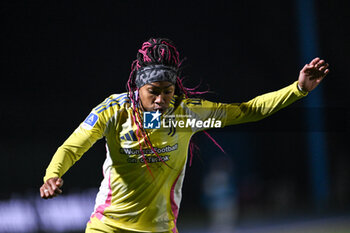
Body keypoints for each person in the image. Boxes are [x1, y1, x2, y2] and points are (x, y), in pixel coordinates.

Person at [40, 38, 329, 233]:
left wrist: (298, 89)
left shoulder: (187, 113)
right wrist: (53, 174)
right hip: (108, 227)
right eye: (153, 91)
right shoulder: (113, 111)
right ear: (137, 87)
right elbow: (72, 146)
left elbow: (247, 110)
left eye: (168, 91)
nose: (161, 99)